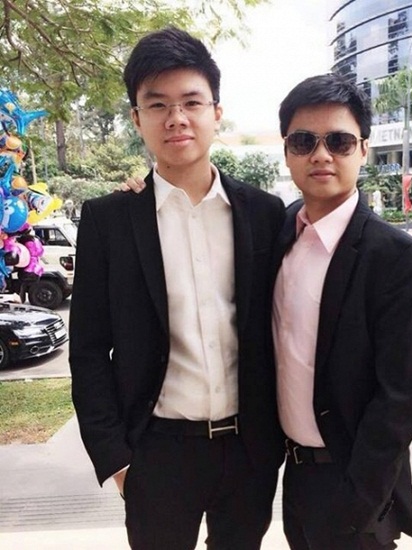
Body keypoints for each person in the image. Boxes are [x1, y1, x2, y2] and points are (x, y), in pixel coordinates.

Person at [69, 27, 286, 550]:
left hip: (248, 451)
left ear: (216, 111)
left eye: (191, 102)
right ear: (136, 118)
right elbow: (89, 348)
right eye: (158, 104)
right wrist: (116, 459)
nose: (176, 118)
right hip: (156, 453)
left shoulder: (264, 213)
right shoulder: (109, 221)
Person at [272, 74, 412, 550]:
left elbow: (401, 394)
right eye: (304, 141)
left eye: (339, 142)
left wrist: (359, 505)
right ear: (287, 151)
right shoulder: (278, 232)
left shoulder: (397, 257)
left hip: (354, 490)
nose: (321, 155)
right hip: (294, 480)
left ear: (363, 149)